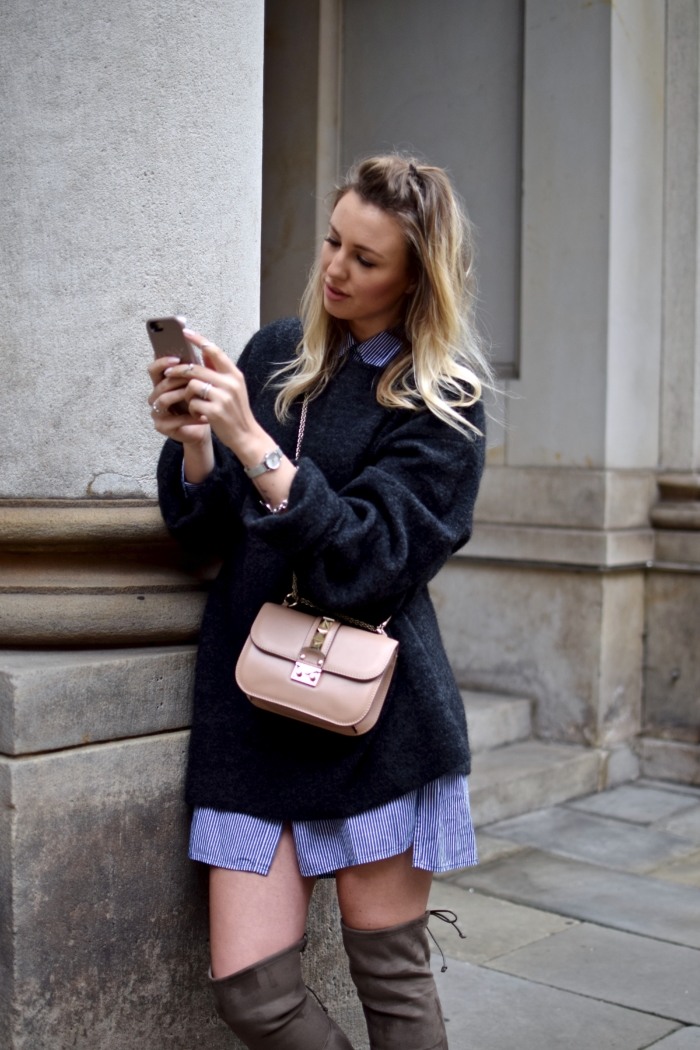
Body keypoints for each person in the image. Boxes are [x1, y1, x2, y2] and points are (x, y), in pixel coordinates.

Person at [149, 154, 490, 1050]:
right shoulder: (275, 353)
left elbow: (373, 560)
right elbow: (203, 532)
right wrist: (195, 443)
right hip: (253, 716)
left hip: (374, 723)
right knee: (254, 998)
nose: (335, 268)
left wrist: (251, 440)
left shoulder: (440, 400)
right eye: (334, 241)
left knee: (392, 982)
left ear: (418, 276)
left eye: (366, 258)